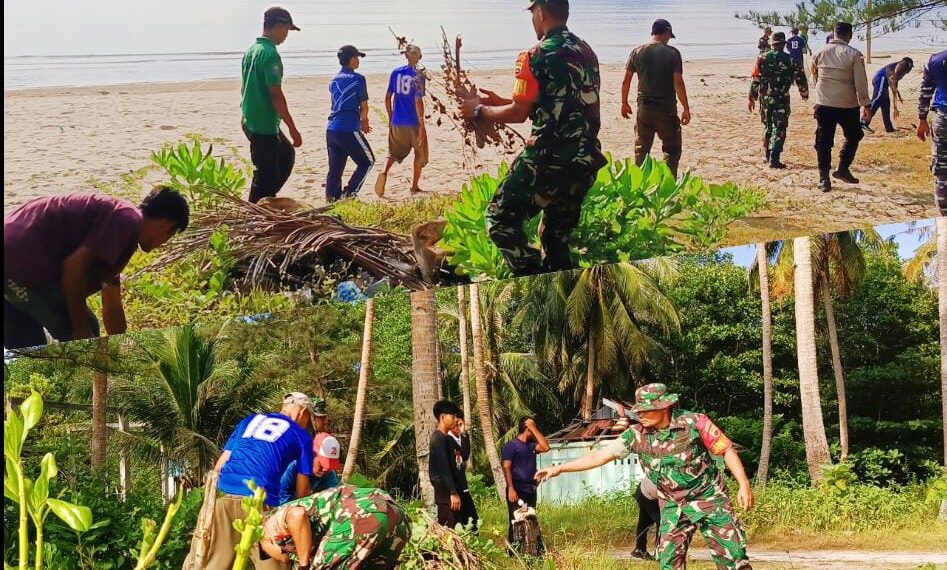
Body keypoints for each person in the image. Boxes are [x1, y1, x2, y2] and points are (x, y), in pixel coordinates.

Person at [536, 384, 754, 570]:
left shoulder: (695, 422)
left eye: (646, 410)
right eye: (639, 411)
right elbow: (601, 455)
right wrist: (559, 469)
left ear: (664, 407)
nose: (640, 415)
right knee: (668, 562)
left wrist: (743, 484)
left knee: (733, 560)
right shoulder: (636, 434)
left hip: (709, 499)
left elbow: (726, 449)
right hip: (672, 504)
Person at [460, 0, 606, 277]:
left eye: (532, 14)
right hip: (585, 160)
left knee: (499, 219)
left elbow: (518, 113)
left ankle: (532, 278)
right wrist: (503, 101)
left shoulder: (535, 55)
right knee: (555, 236)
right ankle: (561, 294)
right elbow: (558, 101)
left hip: (548, 160)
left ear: (539, 12)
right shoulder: (587, 51)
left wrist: (478, 110)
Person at [4, 187, 189, 350]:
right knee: (86, 333)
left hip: (15, 263)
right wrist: (80, 328)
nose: (164, 242)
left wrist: (123, 346)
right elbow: (74, 266)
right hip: (20, 265)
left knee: (30, 352)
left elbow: (111, 298)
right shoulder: (128, 220)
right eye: (170, 235)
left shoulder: (121, 225)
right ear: (166, 225)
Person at [197, 393, 318, 570]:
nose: (307, 427)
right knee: (275, 565)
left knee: (217, 563)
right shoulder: (302, 437)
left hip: (223, 496)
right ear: (303, 413)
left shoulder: (248, 421)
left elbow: (219, 466)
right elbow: (301, 494)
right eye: (309, 422)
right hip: (259, 503)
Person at [259, 486, 411, 569]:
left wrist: (303, 565)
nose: (282, 558)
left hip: (360, 515)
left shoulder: (269, 526)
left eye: (266, 554)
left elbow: (297, 515)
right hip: (396, 516)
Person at [241, 7, 303, 203]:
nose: (286, 35)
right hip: (263, 125)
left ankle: (264, 200)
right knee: (266, 176)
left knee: (285, 156)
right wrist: (293, 129)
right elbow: (276, 95)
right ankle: (256, 208)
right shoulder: (270, 55)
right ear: (278, 26)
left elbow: (244, 88)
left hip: (249, 119)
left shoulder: (252, 50)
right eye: (286, 30)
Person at [621, 19, 692, 178]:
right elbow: (678, 84)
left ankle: (639, 185)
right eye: (669, 35)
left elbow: (626, 80)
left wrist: (624, 102)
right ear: (666, 33)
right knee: (671, 149)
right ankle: (668, 184)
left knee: (641, 150)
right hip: (666, 110)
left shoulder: (637, 51)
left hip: (644, 109)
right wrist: (686, 108)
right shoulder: (673, 54)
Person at [810, 22, 870, 192]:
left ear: (833, 33)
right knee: (854, 135)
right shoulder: (854, 55)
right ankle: (843, 168)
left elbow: (814, 77)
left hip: (824, 104)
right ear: (850, 35)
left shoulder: (819, 53)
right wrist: (866, 104)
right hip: (847, 105)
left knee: (823, 141)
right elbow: (861, 83)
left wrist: (822, 92)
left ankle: (824, 179)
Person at [748, 32, 809, 168]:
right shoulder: (791, 60)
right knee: (779, 128)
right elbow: (800, 78)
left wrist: (752, 97)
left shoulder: (762, 58)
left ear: (772, 44)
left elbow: (755, 79)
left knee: (767, 126)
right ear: (784, 44)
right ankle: (774, 159)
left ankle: (767, 155)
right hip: (781, 99)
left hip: (765, 99)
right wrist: (804, 94)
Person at [375, 44, 428, 198]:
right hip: (413, 121)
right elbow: (418, 101)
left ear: (406, 56)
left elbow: (387, 97)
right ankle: (414, 186)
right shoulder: (418, 75)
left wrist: (391, 116)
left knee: (393, 152)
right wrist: (422, 124)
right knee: (420, 152)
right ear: (418, 57)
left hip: (397, 121)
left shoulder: (395, 73)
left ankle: (384, 172)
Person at [326, 45, 374, 202]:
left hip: (332, 130)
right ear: (352, 59)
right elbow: (364, 106)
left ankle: (332, 199)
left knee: (335, 169)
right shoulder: (358, 79)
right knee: (367, 161)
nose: (358, 61)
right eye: (357, 58)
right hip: (348, 129)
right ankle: (350, 193)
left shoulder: (333, 80)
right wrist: (364, 122)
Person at [278, 397, 341, 505]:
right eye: (320, 418)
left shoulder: (328, 472)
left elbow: (335, 496)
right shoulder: (292, 463)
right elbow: (281, 500)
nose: (326, 468)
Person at [501, 417, 550, 553]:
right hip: (516, 489)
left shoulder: (531, 446)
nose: (535, 431)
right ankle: (513, 551)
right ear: (527, 428)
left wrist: (534, 428)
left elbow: (546, 447)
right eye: (533, 428)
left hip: (530, 489)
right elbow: (506, 467)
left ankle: (533, 550)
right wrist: (511, 488)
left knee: (531, 518)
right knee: (516, 520)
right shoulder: (511, 445)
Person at [917, 50, 947, 215]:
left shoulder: (935, 60)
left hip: (943, 119)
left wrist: (922, 119)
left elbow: (925, 92)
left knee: (942, 172)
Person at [428, 400, 467, 528]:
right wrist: (452, 492)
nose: (456, 420)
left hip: (454, 489)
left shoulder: (448, 439)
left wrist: (463, 433)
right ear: (443, 417)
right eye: (453, 416)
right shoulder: (438, 439)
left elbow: (464, 455)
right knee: (448, 529)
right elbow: (444, 468)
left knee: (459, 527)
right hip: (446, 493)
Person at [863, 57, 914, 133]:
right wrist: (895, 106)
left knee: (886, 103)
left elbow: (895, 86)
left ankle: (889, 128)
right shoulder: (895, 69)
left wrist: (895, 103)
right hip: (880, 79)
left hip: (885, 83)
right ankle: (863, 122)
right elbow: (893, 85)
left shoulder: (901, 70)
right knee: (878, 99)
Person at [448, 414, 479, 530]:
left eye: (459, 423)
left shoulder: (460, 438)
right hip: (453, 487)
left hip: (462, 485)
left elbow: (465, 455)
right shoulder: (447, 440)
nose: (457, 426)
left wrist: (463, 432)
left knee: (473, 519)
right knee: (457, 521)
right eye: (455, 423)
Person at [631, 476, 661, 561]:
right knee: (663, 523)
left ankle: (639, 549)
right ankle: (660, 553)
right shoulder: (670, 478)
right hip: (648, 494)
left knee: (644, 522)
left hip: (643, 491)